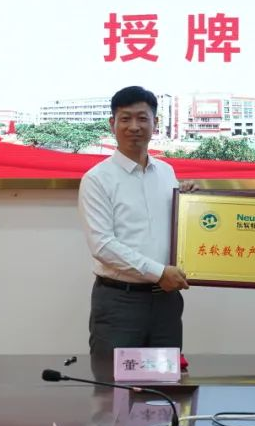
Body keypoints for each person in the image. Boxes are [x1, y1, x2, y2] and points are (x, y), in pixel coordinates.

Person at [78, 85, 192, 357]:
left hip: (166, 302)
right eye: (125, 118)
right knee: (113, 379)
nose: (134, 127)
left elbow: (175, 229)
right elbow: (102, 245)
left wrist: (193, 204)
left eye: (142, 118)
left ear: (155, 123)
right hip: (119, 302)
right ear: (112, 124)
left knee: (164, 378)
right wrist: (159, 272)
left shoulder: (167, 173)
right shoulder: (97, 179)